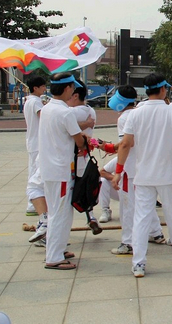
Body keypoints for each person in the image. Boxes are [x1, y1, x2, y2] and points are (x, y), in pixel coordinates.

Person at [111, 73, 172, 278]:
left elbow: (125, 144)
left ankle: (138, 263)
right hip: (169, 175)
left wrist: (118, 172)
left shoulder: (134, 114)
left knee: (141, 218)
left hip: (143, 176)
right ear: (163, 89)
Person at [100, 85, 167, 255]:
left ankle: (128, 242)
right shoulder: (140, 113)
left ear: (121, 100)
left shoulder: (125, 118)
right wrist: (109, 147)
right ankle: (156, 233)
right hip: (143, 166)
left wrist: (118, 171)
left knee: (128, 207)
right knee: (144, 204)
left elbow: (126, 144)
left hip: (131, 169)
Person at [38, 73, 87, 270]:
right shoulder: (65, 113)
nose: (73, 91)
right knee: (59, 213)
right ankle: (54, 257)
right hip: (60, 170)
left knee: (58, 211)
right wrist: (85, 140)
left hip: (50, 168)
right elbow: (79, 141)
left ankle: (57, 248)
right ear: (67, 88)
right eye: (72, 88)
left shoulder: (48, 108)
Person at [67, 83, 101, 235]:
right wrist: (86, 124)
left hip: (71, 157)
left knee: (68, 193)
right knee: (84, 188)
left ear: (75, 96)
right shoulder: (91, 111)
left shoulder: (71, 112)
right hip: (85, 156)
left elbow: (68, 127)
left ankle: (51, 224)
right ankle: (91, 217)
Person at [23, 76, 49, 243]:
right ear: (36, 88)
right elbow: (44, 117)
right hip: (38, 142)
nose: (44, 89)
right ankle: (33, 205)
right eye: (42, 87)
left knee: (34, 173)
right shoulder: (35, 102)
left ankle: (33, 204)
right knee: (35, 176)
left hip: (33, 141)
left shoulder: (30, 101)